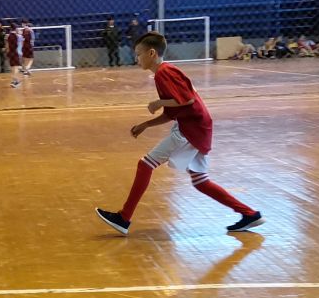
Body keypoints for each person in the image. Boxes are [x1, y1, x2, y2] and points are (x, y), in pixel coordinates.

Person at [94, 32, 262, 235]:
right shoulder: (164, 73)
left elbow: (186, 99)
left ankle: (124, 217)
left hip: (190, 129)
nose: (136, 58)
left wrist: (158, 102)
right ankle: (250, 214)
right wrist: (146, 124)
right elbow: (172, 112)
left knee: (145, 165)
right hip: (196, 126)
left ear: (152, 53)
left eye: (138, 54)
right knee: (201, 182)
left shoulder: (164, 72)